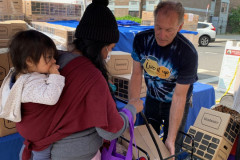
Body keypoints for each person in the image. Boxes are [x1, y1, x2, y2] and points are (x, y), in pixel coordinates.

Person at [16, 0, 143, 160]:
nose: (108, 54)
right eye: (110, 48)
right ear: (101, 47)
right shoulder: (92, 75)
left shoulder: (53, 60)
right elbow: (110, 130)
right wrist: (131, 109)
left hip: (36, 150)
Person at [129, 1, 198, 157]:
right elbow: (136, 74)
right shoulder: (141, 40)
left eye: (169, 30)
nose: (162, 35)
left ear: (179, 27)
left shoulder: (187, 53)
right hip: (152, 99)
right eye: (158, 27)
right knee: (145, 143)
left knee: (171, 148)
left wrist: (171, 139)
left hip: (176, 103)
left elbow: (179, 97)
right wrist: (132, 106)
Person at [0, 30, 65, 160]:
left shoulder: (19, 75)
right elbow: (51, 97)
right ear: (29, 61)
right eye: (49, 57)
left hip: (29, 133)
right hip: (40, 137)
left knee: (29, 150)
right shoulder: (29, 84)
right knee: (42, 154)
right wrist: (55, 76)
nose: (54, 60)